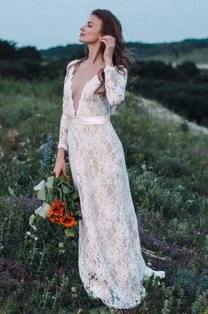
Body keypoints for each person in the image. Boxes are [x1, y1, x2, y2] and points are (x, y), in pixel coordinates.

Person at [53, 9, 165, 313]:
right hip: (78, 148)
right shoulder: (73, 66)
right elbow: (66, 112)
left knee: (113, 212)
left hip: (103, 147)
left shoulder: (113, 70)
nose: (82, 26)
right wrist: (61, 153)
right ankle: (97, 271)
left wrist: (110, 56)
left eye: (89, 24)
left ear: (104, 33)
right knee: (90, 211)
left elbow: (115, 99)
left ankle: (124, 276)